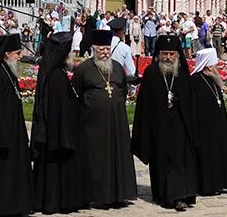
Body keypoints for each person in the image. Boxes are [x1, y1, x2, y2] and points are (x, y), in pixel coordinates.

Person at [132, 34, 199, 211]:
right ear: (159, 54)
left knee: (179, 161)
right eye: (165, 54)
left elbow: (190, 103)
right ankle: (162, 194)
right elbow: (144, 105)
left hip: (179, 125)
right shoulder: (151, 73)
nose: (168, 57)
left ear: (177, 54)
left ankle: (179, 196)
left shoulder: (183, 73)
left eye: (171, 54)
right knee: (161, 161)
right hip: (159, 127)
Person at [72, 29, 136, 208]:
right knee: (96, 159)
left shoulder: (116, 67)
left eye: (107, 49)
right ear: (93, 49)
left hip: (116, 123)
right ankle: (96, 195)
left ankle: (118, 195)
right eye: (101, 49)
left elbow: (122, 90)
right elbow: (76, 94)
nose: (105, 52)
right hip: (92, 125)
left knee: (118, 157)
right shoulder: (84, 69)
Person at [30, 31, 88, 214]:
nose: (71, 55)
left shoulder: (54, 71)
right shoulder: (55, 76)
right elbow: (60, 108)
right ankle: (55, 202)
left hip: (54, 133)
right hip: (57, 135)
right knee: (56, 171)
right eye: (69, 52)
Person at [0, 33, 33, 217]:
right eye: (17, 52)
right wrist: (1, 137)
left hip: (14, 133)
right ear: (6, 54)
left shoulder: (9, 72)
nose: (20, 56)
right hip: (2, 137)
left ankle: (17, 205)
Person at [191, 47, 227, 196]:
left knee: (220, 152)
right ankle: (208, 186)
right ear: (207, 66)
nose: (216, 68)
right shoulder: (195, 81)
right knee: (208, 155)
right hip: (204, 126)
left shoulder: (214, 80)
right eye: (214, 65)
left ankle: (222, 182)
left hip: (218, 124)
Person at [107, 18, 137, 82]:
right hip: (118, 81)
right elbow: (131, 71)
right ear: (120, 31)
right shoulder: (125, 48)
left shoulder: (102, 45)